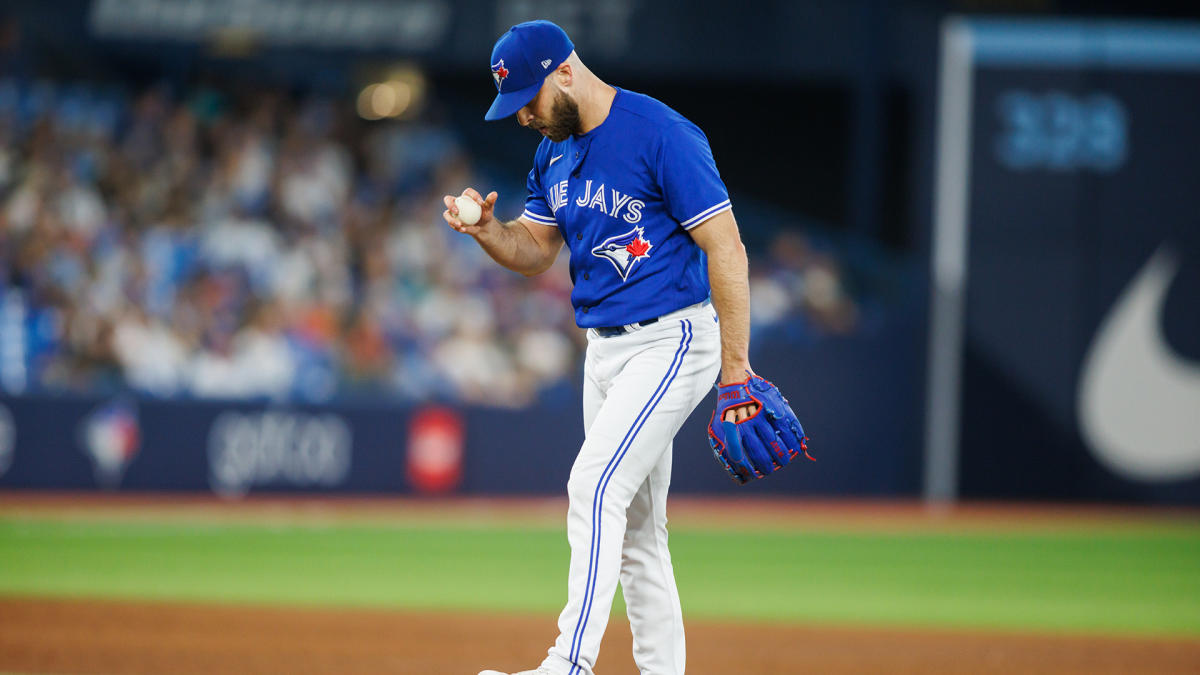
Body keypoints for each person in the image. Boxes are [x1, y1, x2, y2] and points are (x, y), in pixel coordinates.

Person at [445, 20, 760, 675]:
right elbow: (534, 251)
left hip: (672, 336)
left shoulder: (660, 132)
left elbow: (726, 246)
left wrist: (736, 367)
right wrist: (486, 231)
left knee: (593, 485)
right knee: (639, 529)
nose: (524, 116)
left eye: (528, 99)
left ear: (565, 70)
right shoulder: (551, 153)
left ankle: (569, 663)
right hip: (605, 349)